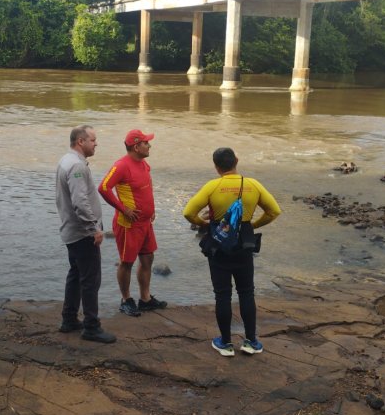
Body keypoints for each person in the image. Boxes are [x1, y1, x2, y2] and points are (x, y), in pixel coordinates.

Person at [183, 147, 281, 356]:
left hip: (219, 243)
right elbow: (274, 211)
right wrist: (252, 226)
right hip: (244, 243)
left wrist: (204, 224)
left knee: (222, 294)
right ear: (236, 160)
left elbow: (188, 212)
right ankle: (251, 342)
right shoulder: (253, 185)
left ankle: (225, 343)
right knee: (246, 292)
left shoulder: (212, 186)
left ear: (216, 167)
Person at [55, 125, 115, 344]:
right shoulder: (77, 167)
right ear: (80, 141)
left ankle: (69, 318)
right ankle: (91, 326)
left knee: (75, 274)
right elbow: (80, 203)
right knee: (90, 279)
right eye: (92, 140)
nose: (96, 143)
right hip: (82, 233)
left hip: (71, 230)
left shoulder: (66, 161)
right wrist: (94, 229)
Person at [98, 129, 168, 317]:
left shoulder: (144, 163)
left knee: (147, 259)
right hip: (128, 225)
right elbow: (104, 187)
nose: (149, 145)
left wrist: (151, 210)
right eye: (146, 143)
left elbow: (147, 185)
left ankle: (145, 299)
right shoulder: (121, 166)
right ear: (136, 146)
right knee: (127, 262)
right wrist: (124, 209)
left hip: (145, 223)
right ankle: (126, 299)